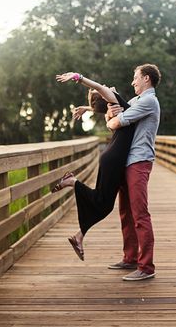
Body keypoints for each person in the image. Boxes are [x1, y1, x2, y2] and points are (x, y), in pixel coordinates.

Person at [54, 72, 136, 262]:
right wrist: (78, 77)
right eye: (103, 89)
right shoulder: (118, 103)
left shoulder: (119, 106)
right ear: (106, 97)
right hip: (114, 159)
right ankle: (72, 181)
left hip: (111, 157)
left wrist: (87, 107)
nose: (107, 85)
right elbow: (100, 88)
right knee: (103, 203)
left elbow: (101, 99)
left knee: (103, 203)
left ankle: (79, 237)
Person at [106, 64, 161, 281]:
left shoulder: (149, 101)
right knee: (126, 212)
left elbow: (116, 124)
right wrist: (108, 112)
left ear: (146, 78)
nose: (132, 82)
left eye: (135, 78)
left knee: (140, 214)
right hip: (128, 161)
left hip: (139, 161)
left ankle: (146, 267)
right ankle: (130, 258)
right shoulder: (136, 101)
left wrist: (112, 118)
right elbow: (113, 118)